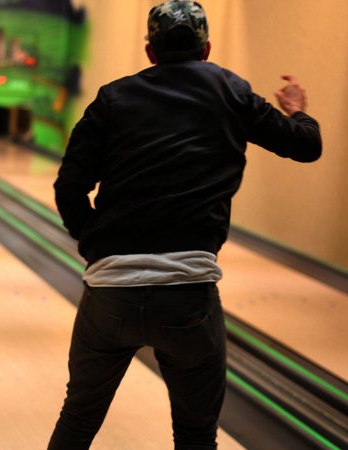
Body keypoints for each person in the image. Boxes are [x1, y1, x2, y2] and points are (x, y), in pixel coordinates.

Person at [48, 1, 322, 449]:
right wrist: (297, 110)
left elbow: (69, 187)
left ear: (149, 52)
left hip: (109, 295)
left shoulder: (112, 97)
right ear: (207, 49)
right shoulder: (230, 91)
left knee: (77, 421)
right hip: (188, 299)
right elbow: (306, 146)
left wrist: (96, 243)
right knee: (196, 436)